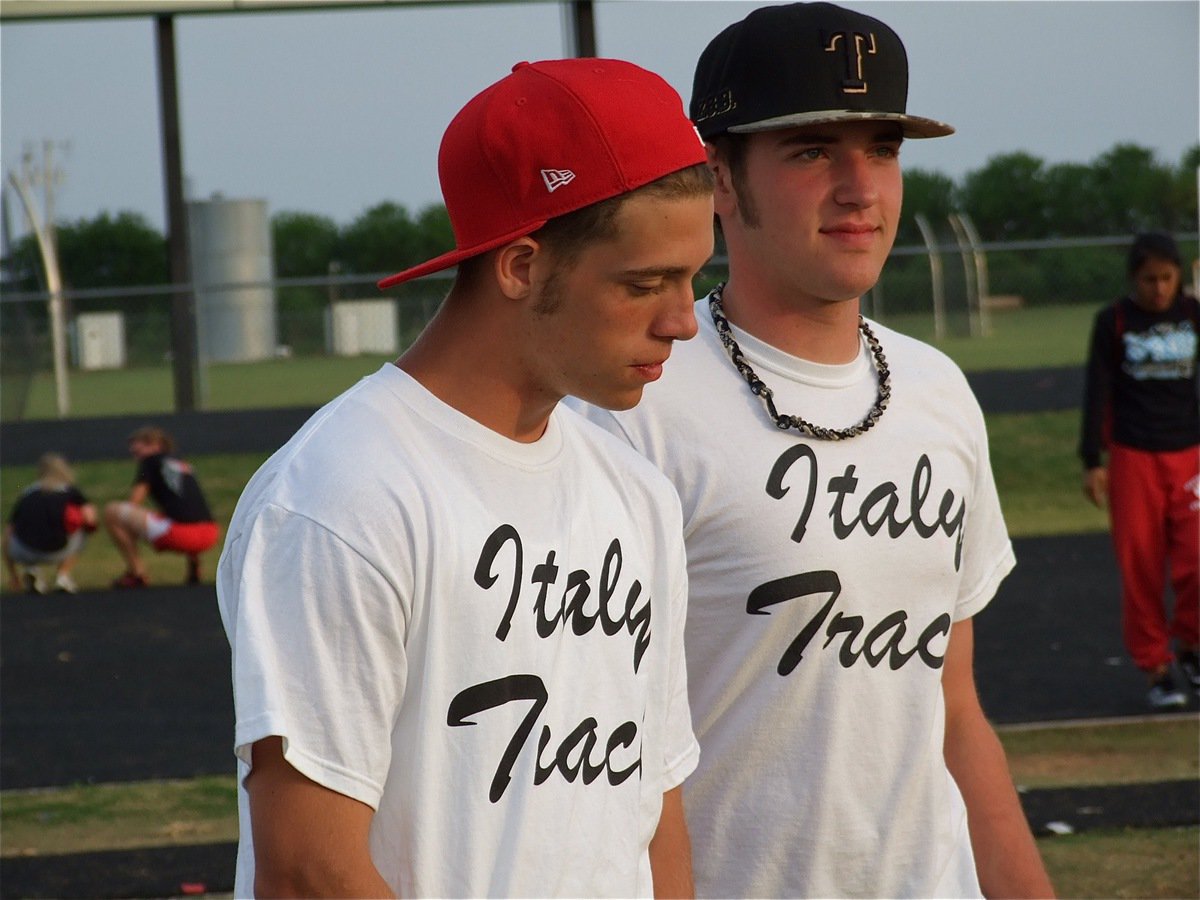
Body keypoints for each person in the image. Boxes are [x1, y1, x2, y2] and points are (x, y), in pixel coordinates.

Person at [572, 3, 1054, 897]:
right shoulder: (631, 409)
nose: (859, 187)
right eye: (811, 151)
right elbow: (600, 756)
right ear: (718, 177)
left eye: (883, 148)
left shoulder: (939, 391)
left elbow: (955, 712)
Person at [216, 57, 714, 897]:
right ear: (520, 267)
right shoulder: (342, 494)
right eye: (645, 284)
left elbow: (652, 809)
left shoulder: (636, 492)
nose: (683, 321)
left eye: (694, 277)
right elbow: (307, 869)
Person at [1080, 231, 1199, 710]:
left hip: (1190, 454)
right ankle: (1157, 668)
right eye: (1150, 279)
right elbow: (1097, 390)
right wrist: (1092, 460)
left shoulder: (1193, 315)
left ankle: (1191, 644)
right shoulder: (1114, 321)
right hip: (1134, 457)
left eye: (1167, 278)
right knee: (1141, 567)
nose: (1159, 288)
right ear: (1134, 279)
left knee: (1196, 557)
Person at [104, 425, 219, 588]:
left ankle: (137, 573)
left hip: (180, 535)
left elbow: (134, 502)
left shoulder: (150, 462)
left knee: (113, 511)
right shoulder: (182, 463)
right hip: (210, 533)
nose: (133, 451)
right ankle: (195, 566)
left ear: (155, 444)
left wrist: (134, 529)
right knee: (182, 512)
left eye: (139, 446)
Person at [3, 452, 97, 594]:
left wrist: (13, 575)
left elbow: (9, 530)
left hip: (23, 551)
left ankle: (31, 569)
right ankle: (63, 575)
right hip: (59, 550)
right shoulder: (71, 492)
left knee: (16, 534)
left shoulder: (27, 493)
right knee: (82, 531)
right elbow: (90, 519)